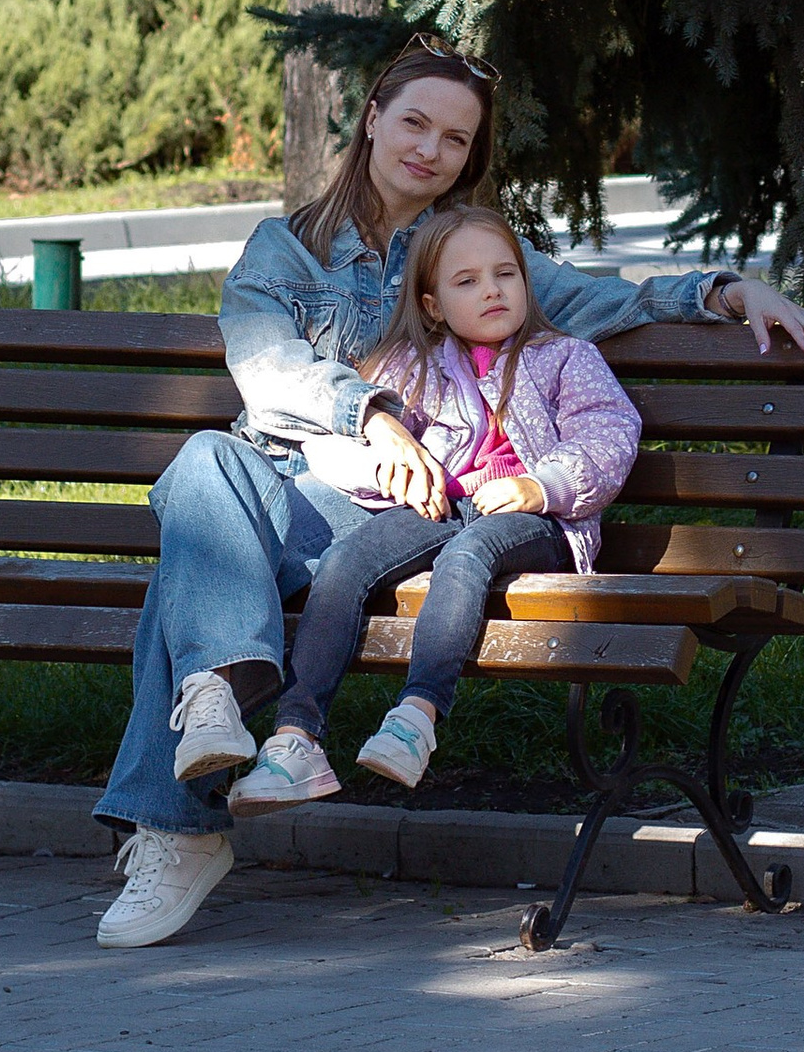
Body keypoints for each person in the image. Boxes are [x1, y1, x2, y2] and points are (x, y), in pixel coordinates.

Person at [94, 38, 804, 947]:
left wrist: (724, 290)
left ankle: (182, 811)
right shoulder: (285, 251)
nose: (429, 150)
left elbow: (607, 302)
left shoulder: (462, 250)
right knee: (206, 461)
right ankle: (216, 699)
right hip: (290, 483)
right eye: (414, 123)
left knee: (188, 571)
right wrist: (371, 414)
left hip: (372, 516)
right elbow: (264, 365)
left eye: (454, 138)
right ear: (372, 119)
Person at [231, 203, 643, 803]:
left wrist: (542, 484)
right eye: (467, 281)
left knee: (468, 555)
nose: (493, 291)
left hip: (538, 521)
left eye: (506, 274)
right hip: (440, 510)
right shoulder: (412, 366)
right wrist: (388, 472)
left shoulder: (564, 357)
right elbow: (335, 444)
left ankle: (416, 716)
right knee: (346, 561)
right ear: (432, 304)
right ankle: (296, 738)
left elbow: (608, 433)